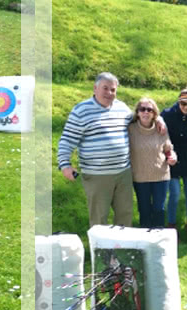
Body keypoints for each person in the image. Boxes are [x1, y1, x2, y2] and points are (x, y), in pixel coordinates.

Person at [58, 73, 159, 227]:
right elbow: (67, 140)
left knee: (125, 214)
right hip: (97, 175)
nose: (109, 93)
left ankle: (123, 248)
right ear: (95, 88)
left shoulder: (122, 108)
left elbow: (142, 118)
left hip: (123, 173)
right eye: (105, 88)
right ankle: (101, 250)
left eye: (113, 90)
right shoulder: (81, 111)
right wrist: (65, 164)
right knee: (99, 217)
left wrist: (159, 120)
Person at [161, 88, 187, 239]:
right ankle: (171, 226)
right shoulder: (167, 114)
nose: (186, 107)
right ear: (179, 101)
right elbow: (161, 137)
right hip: (171, 156)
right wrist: (166, 154)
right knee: (175, 194)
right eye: (183, 103)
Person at [128, 98, 177, 228]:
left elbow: (168, 148)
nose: (145, 112)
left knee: (159, 209)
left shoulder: (161, 129)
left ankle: (158, 239)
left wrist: (172, 156)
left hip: (161, 176)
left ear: (154, 113)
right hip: (140, 177)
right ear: (137, 112)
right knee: (144, 210)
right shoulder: (130, 129)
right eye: (142, 109)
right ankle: (144, 242)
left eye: (149, 110)